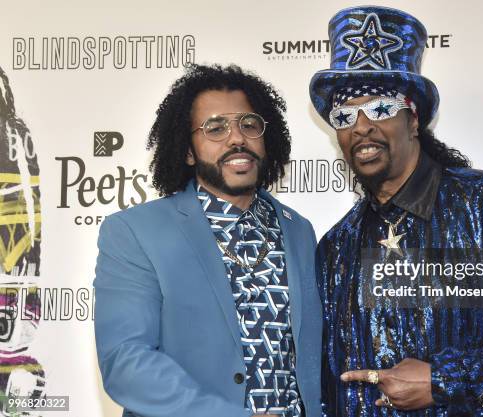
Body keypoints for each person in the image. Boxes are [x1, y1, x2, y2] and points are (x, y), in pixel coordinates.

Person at [310, 6, 483, 416]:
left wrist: (446, 380)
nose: (362, 126)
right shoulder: (336, 247)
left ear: (414, 119)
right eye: (345, 114)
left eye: (382, 108)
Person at [94, 64, 322, 417]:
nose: (236, 138)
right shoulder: (135, 231)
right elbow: (126, 362)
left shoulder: (298, 230)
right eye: (215, 128)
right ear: (188, 151)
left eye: (248, 124)